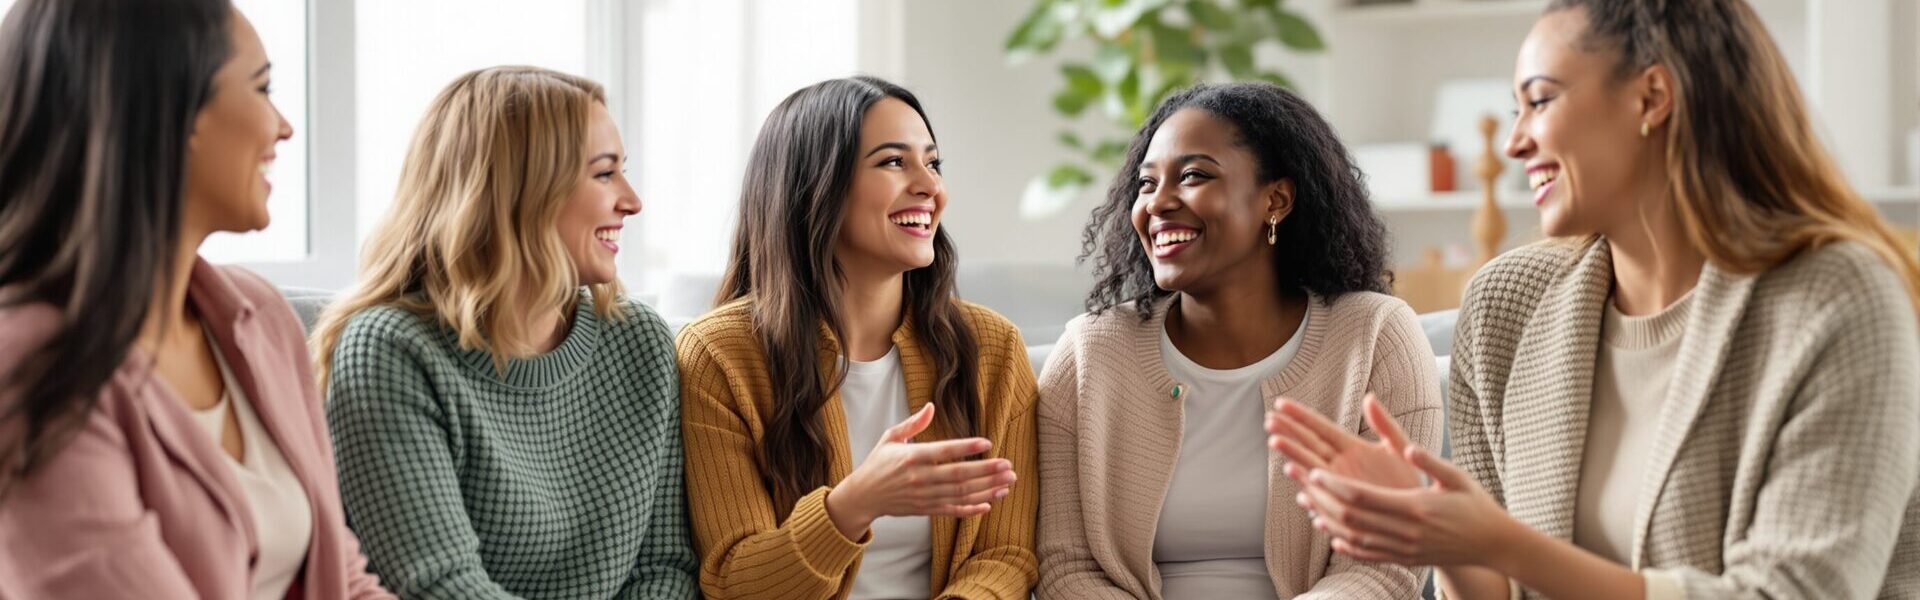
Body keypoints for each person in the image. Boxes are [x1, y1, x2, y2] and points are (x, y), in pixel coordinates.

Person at [1266, 1, 1920, 598]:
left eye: (1540, 101)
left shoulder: (1837, 299)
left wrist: (1498, 542)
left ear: (1652, 96)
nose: (1514, 141)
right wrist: (1438, 537)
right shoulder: (1505, 309)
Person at [0, 1, 392, 597]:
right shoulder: (33, 366)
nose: (283, 125)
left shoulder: (260, 317)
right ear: (167, 110)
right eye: (262, 89)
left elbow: (341, 576)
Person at [1035, 82, 1442, 599]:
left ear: (1276, 199)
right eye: (1146, 183)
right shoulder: (1090, 354)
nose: (1157, 203)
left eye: (1193, 176)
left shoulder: (1376, 335)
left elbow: (1386, 569)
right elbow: (1065, 569)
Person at [313, 66, 698, 599]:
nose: (632, 201)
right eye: (605, 174)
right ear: (523, 190)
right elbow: (443, 587)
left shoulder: (641, 344)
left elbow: (666, 569)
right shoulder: (390, 352)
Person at [677, 76, 1038, 600]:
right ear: (814, 187)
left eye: (933, 163)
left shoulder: (993, 349)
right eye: (894, 162)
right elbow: (735, 581)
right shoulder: (719, 355)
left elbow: (1007, 555)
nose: (930, 187)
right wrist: (853, 504)